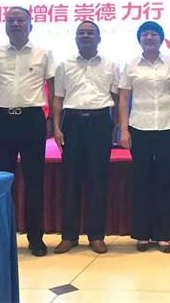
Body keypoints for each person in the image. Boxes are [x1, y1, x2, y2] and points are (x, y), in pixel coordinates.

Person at [0, 6, 55, 257]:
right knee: (3, 180)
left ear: (30, 25)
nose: (15, 24)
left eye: (20, 20)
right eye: (10, 20)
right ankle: (3, 238)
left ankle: (36, 238)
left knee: (35, 181)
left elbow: (52, 88)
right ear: (5, 25)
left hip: (33, 119)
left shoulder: (43, 53)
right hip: (2, 120)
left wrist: (52, 119)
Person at [118, 21, 170, 254]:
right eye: (145, 34)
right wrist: (124, 130)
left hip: (168, 126)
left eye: (154, 34)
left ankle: (164, 234)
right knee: (142, 180)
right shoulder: (130, 65)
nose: (149, 37)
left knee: (164, 180)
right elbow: (124, 99)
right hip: (139, 127)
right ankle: (142, 234)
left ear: (161, 38)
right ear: (140, 39)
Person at [52, 21, 119, 254]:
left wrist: (116, 125)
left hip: (100, 122)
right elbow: (58, 99)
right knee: (70, 180)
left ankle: (96, 235)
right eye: (81, 33)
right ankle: (69, 236)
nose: (86, 36)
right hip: (72, 122)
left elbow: (117, 98)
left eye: (90, 33)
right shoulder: (64, 65)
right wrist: (57, 128)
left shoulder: (111, 64)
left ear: (99, 38)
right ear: (75, 38)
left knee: (97, 180)